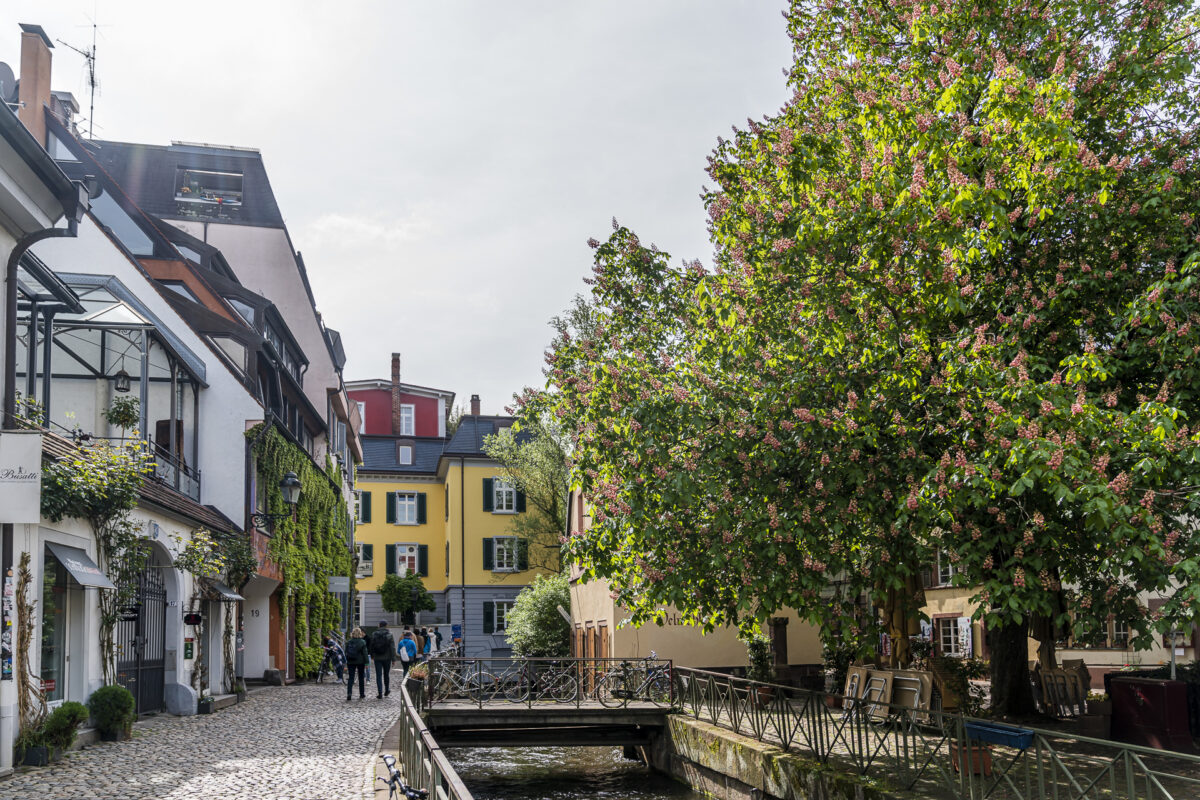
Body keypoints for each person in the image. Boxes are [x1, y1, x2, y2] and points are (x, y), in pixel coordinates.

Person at [369, 620, 396, 698]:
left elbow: (371, 646)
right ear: (386, 626)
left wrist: (372, 655)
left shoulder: (374, 634)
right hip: (387, 658)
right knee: (386, 674)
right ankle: (387, 690)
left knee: (378, 675)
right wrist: (393, 659)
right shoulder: (390, 635)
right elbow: (392, 647)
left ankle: (380, 692)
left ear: (379, 625)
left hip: (377, 657)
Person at [343, 627, 368, 701]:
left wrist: (346, 661)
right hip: (360, 662)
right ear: (360, 633)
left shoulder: (349, 642)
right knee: (361, 677)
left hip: (351, 661)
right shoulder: (362, 642)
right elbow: (365, 653)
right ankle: (362, 694)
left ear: (352, 633)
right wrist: (366, 663)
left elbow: (346, 652)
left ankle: (349, 693)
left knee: (351, 677)